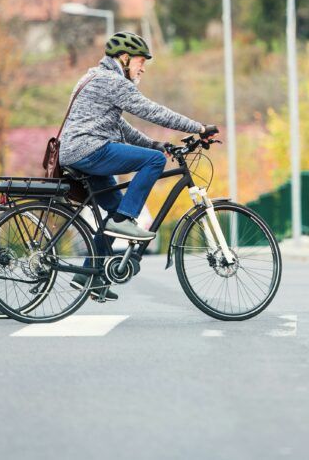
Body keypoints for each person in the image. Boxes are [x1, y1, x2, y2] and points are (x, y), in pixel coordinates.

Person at [59, 32, 214, 300]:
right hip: (89, 150)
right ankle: (125, 220)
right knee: (152, 166)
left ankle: (89, 277)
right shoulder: (113, 81)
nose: (143, 68)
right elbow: (153, 111)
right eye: (141, 61)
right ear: (125, 58)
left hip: (78, 153)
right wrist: (198, 127)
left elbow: (121, 127)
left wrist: (155, 144)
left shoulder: (96, 77)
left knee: (114, 212)